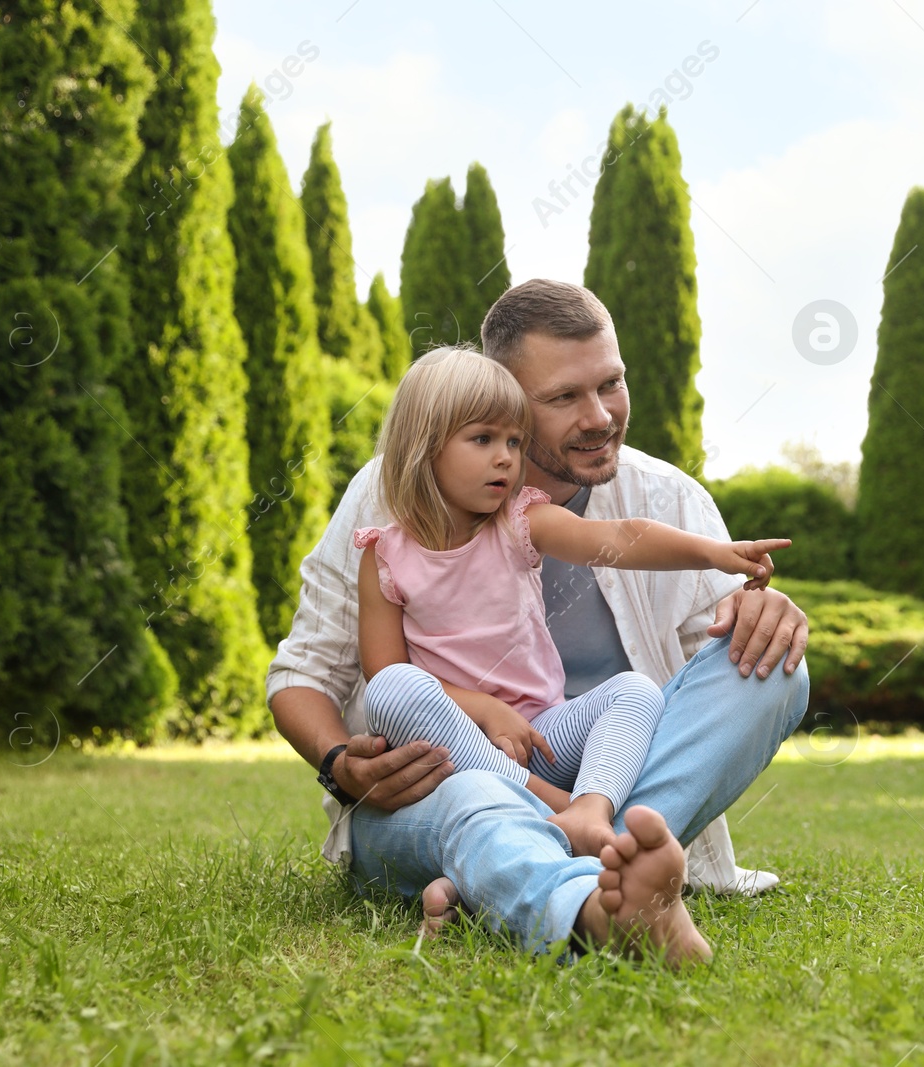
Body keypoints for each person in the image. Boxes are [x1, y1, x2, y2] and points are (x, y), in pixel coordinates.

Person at [267, 279, 811, 967]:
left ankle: (540, 860)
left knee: (767, 667)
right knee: (468, 787)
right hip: (439, 787)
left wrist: (759, 611)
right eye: (563, 398)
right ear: (498, 397)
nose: (601, 416)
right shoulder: (389, 501)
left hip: (598, 767)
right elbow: (303, 674)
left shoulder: (668, 497)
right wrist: (341, 764)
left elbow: (706, 667)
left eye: (611, 384)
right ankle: (599, 907)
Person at [354, 347, 789, 860]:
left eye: (514, 440)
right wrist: (487, 711)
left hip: (545, 733)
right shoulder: (383, 553)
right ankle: (556, 811)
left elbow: (620, 537)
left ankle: (590, 808)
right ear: (423, 449)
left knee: (633, 691)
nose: (505, 457)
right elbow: (383, 669)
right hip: (461, 748)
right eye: (483, 439)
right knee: (391, 690)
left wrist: (713, 553)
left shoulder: (519, 522)